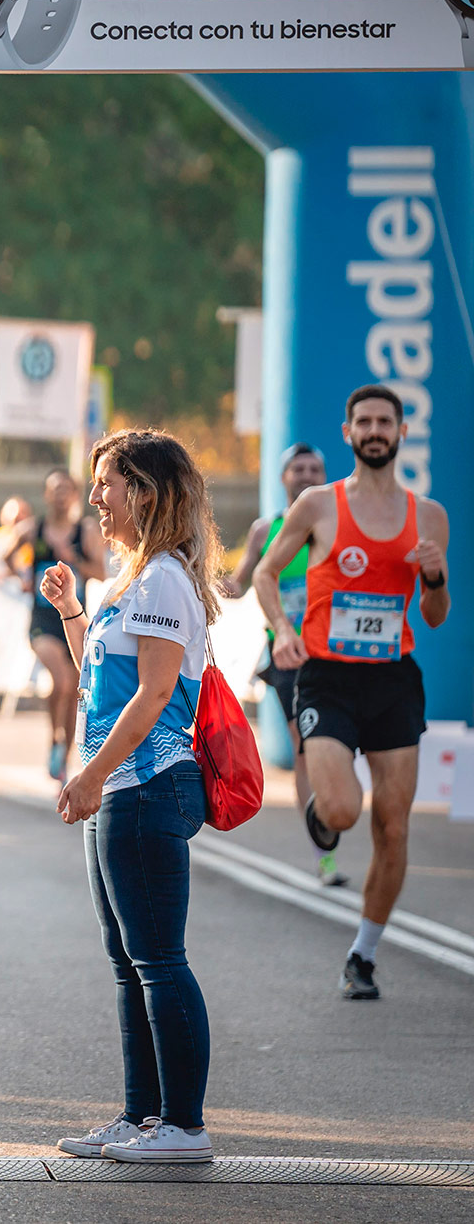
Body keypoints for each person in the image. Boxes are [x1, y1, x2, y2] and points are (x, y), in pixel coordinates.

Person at [42, 429, 219, 1165]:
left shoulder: (163, 581)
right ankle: (141, 1115)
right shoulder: (131, 580)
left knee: (159, 961)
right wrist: (74, 613)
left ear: (144, 491)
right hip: (123, 785)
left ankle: (183, 1125)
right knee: (129, 959)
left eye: (107, 483)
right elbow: (101, 684)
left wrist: (87, 775)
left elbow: (151, 697)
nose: (94, 499)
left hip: (146, 786)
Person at [254, 385, 450, 1002]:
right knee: (341, 813)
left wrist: (436, 575)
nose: (373, 430)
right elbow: (263, 570)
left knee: (393, 828)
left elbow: (436, 614)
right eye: (362, 421)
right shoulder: (317, 505)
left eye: (383, 422)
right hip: (328, 676)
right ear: (348, 433)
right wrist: (282, 630)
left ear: (400, 432)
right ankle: (323, 813)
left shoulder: (430, 517)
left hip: (393, 680)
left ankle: (363, 955)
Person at [223, 443, 341, 886]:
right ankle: (323, 855)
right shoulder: (265, 530)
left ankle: (334, 811)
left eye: (316, 467)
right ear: (283, 477)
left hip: (338, 651)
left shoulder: (338, 523)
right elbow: (239, 585)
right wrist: (204, 575)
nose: (307, 474)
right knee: (305, 746)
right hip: (289, 653)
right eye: (298, 468)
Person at [13, 470, 109, 781]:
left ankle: (62, 751)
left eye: (66, 489)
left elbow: (101, 572)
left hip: (76, 620)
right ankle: (55, 739)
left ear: (74, 494)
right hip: (42, 620)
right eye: (54, 489)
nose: (59, 495)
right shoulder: (33, 529)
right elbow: (4, 556)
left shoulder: (86, 530)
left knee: (72, 689)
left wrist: (75, 562)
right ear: (46, 494)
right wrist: (23, 576)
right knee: (64, 680)